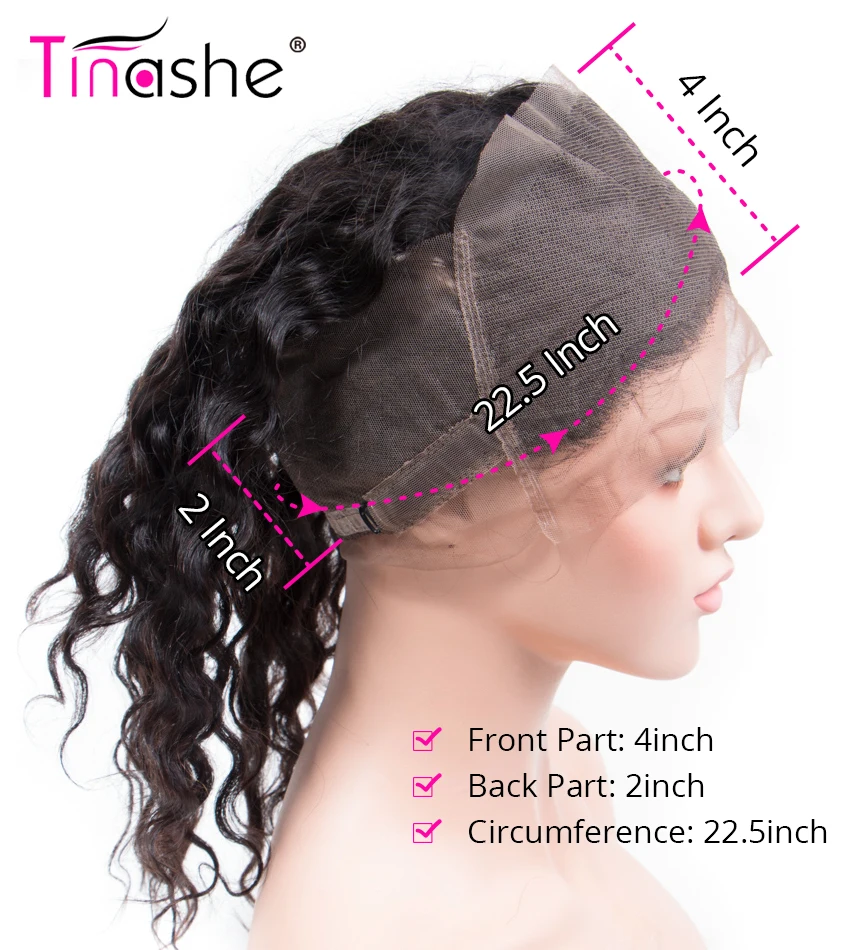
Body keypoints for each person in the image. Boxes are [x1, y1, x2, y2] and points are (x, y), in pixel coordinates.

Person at [27, 65, 769, 949]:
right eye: (672, 465)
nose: (742, 511)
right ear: (446, 498)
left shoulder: (544, 776)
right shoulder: (388, 924)